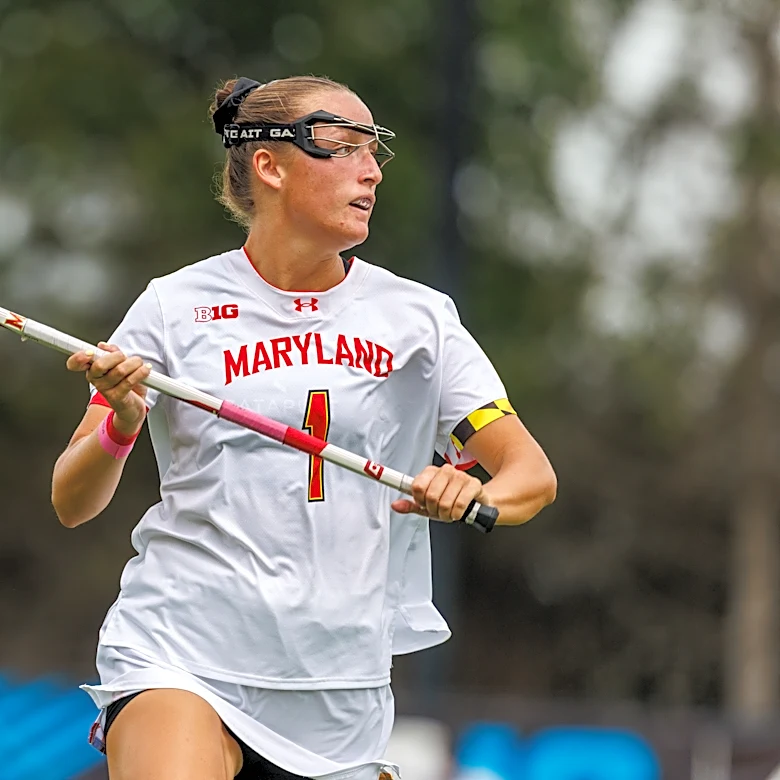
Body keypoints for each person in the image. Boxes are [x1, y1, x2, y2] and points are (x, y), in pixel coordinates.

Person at [51, 74, 557, 780]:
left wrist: (473, 496)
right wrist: (122, 425)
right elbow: (73, 501)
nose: (372, 170)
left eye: (374, 150)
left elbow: (530, 476)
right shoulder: (173, 306)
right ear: (270, 165)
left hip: (338, 694)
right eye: (345, 147)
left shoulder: (419, 320)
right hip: (182, 650)